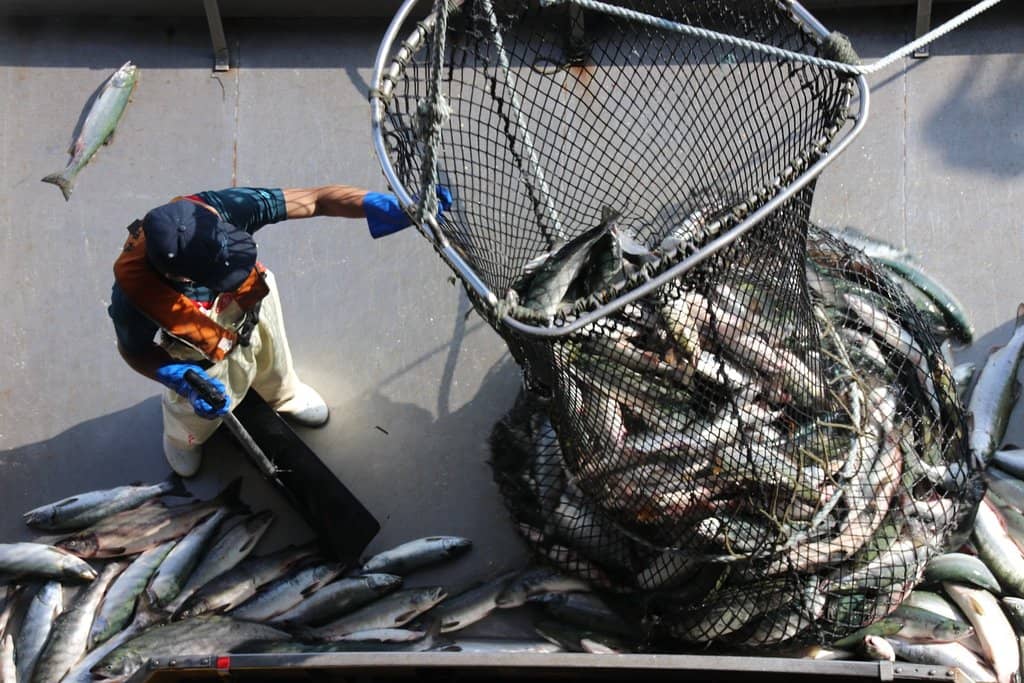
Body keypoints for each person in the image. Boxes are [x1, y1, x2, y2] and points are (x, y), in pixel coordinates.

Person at [108, 185, 452, 477]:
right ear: (182, 278)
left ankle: (285, 396)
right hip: (196, 349)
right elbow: (134, 352)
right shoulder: (134, 295)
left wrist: (377, 204)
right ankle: (182, 438)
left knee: (274, 362)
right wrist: (178, 375)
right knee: (193, 411)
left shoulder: (219, 207)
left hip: (253, 310)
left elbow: (316, 199)